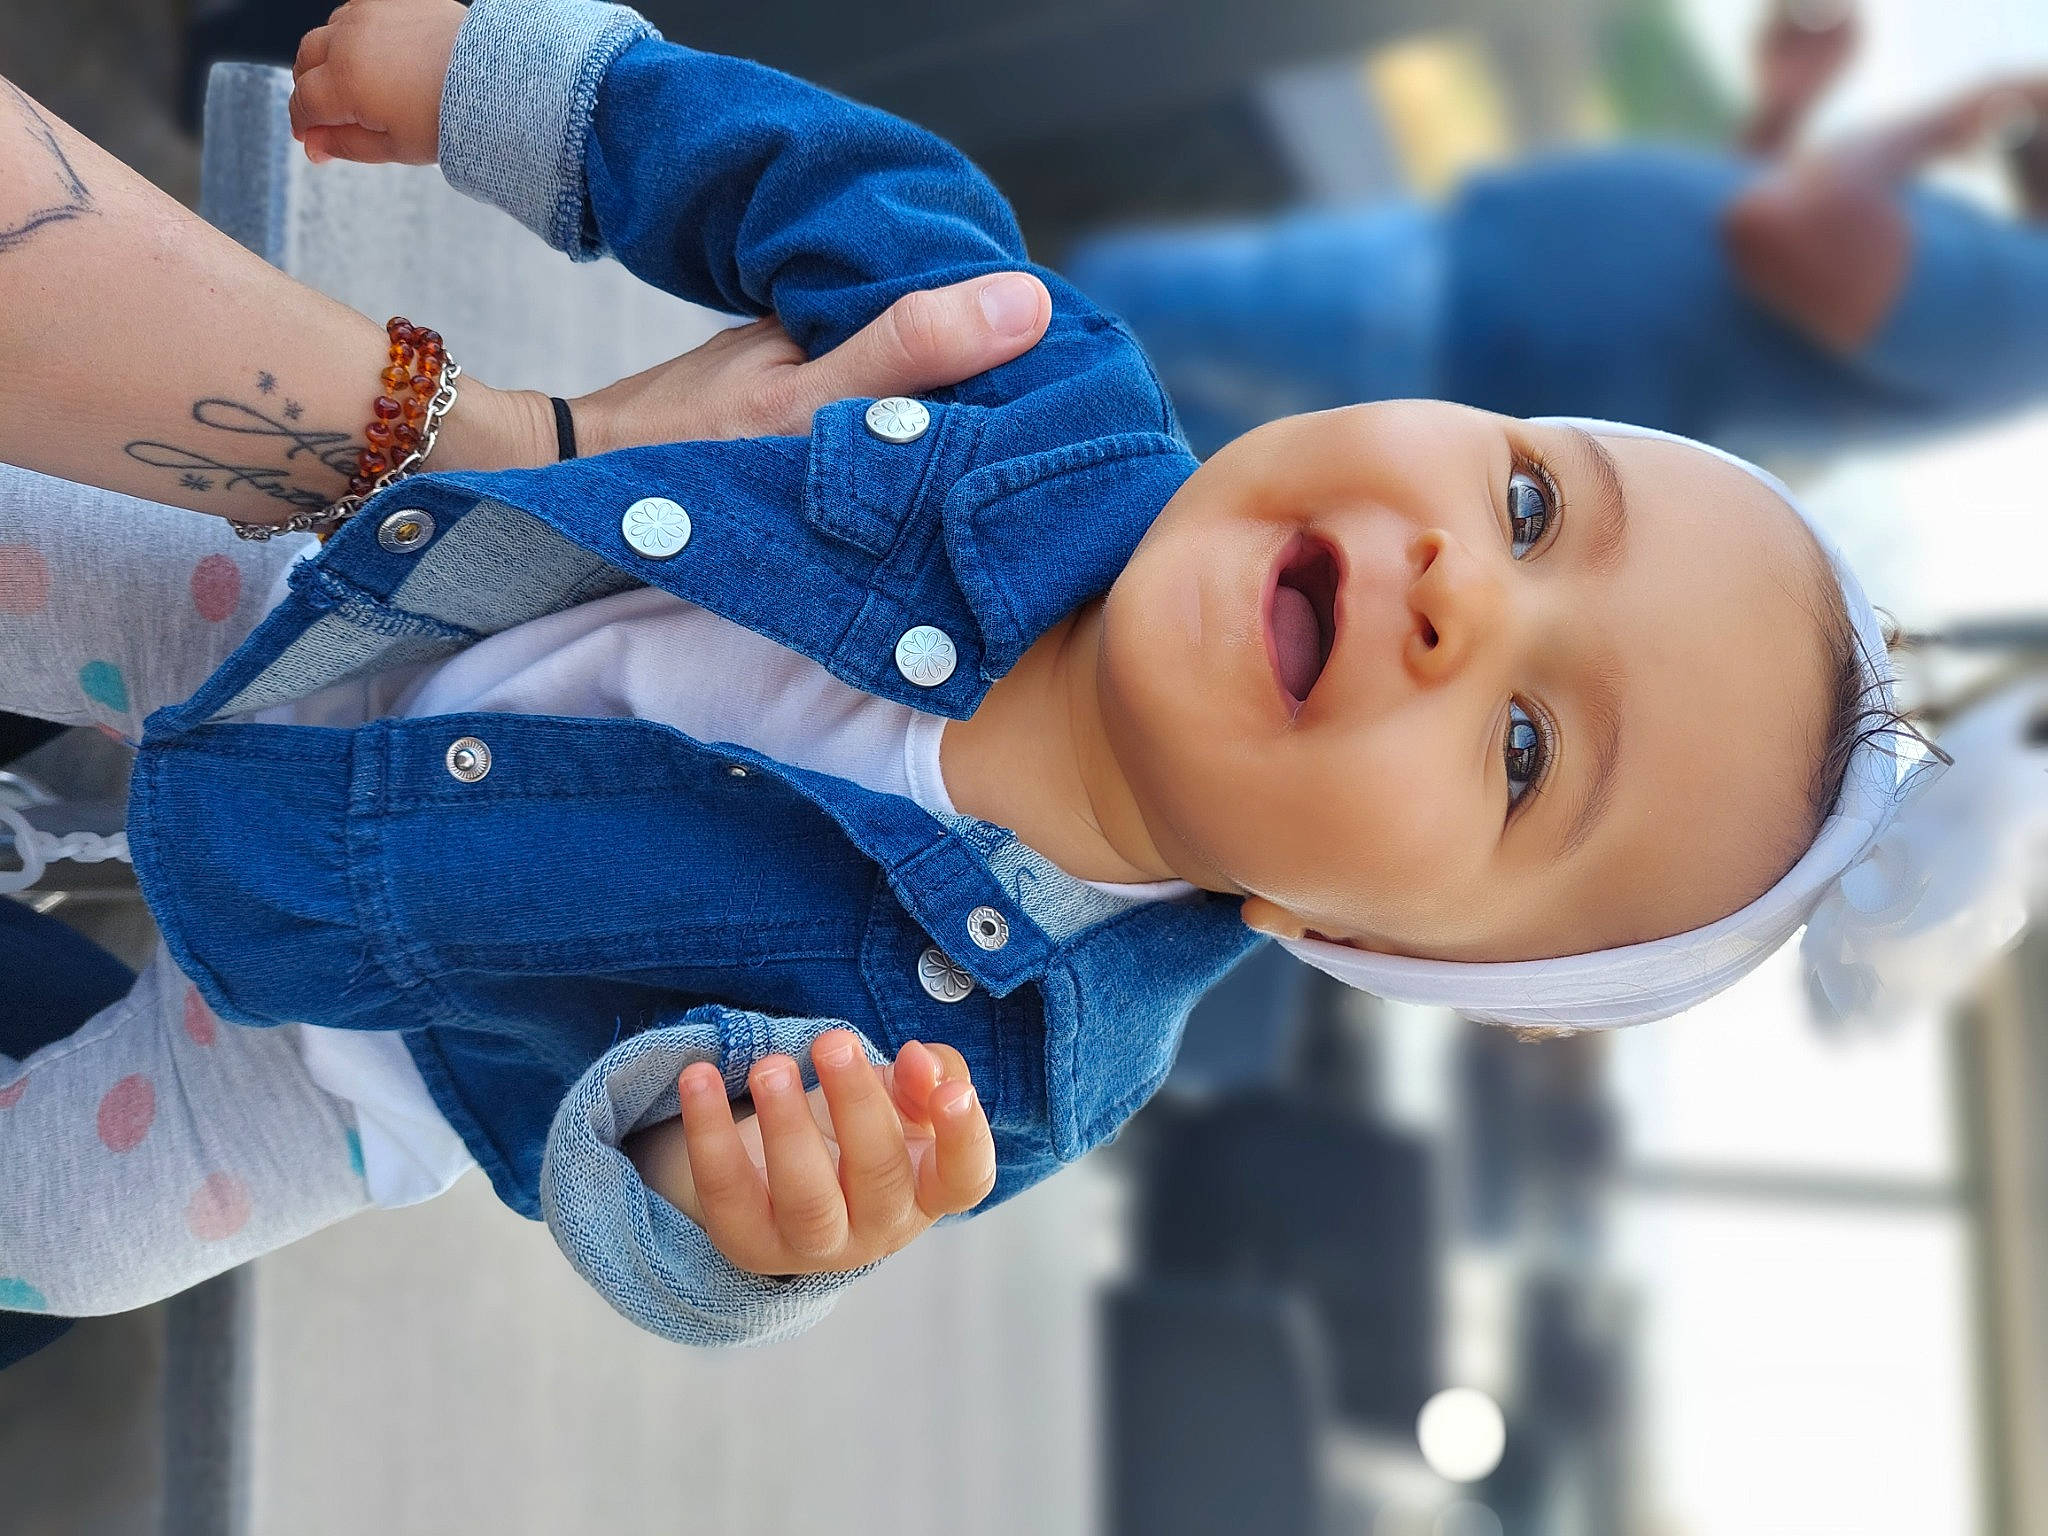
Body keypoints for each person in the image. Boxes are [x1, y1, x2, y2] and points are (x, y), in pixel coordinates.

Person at [0, 0, 1932, 1349]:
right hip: (378, 588)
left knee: (59, 1249)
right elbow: (788, 169)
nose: (1457, 601)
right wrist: (506, 82)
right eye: (1523, 502)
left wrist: (735, 1213)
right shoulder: (1021, 382)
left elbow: (657, 1147)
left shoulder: (1015, 1060)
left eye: (1521, 747)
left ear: (1374, 939)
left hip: (367, 1039)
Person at [1064, 1, 2048, 460]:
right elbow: (1754, 240)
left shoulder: (2024, 303)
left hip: (1460, 321)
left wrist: (1947, 119)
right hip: (1475, 314)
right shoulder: (2010, 287)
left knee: (1119, 304)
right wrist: (1789, 108)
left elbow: (1777, 229)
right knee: (1137, 418)